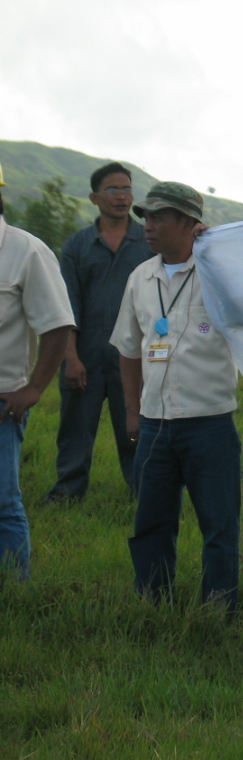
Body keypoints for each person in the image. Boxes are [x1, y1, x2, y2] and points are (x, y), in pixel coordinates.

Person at [110, 182, 242, 611]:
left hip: (210, 423)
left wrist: (219, 247)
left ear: (189, 223)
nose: (147, 225)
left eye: (159, 217)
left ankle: (218, 610)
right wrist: (133, 413)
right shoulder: (140, 278)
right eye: (145, 217)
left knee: (219, 526)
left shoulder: (220, 275)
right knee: (151, 522)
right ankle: (152, 604)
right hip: (154, 424)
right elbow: (129, 350)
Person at [48, 163, 152, 501]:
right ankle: (67, 493)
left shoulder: (148, 242)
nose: (121, 196)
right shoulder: (77, 245)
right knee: (75, 430)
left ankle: (146, 495)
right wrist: (71, 358)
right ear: (94, 197)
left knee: (135, 429)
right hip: (85, 354)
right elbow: (66, 306)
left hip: (134, 355)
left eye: (126, 189)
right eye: (112, 189)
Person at [0, 161, 75, 578]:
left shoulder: (26, 250)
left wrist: (35, 388)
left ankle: (13, 592)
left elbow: (58, 324)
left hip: (2, 402)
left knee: (3, 504)